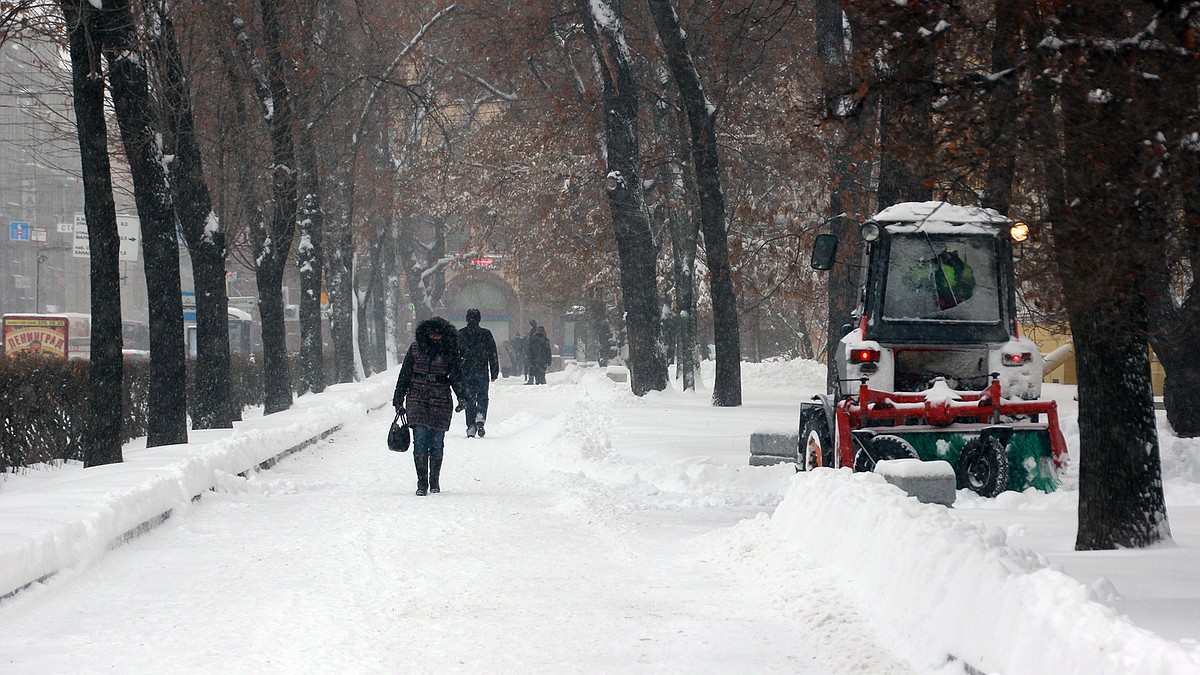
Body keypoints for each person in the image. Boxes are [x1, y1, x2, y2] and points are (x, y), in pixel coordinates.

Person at [393, 317, 467, 496]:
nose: (435, 337)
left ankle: (434, 480)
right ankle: (422, 483)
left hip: (440, 399)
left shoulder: (450, 351)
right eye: (432, 334)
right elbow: (405, 374)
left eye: (438, 334)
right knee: (420, 439)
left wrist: (462, 396)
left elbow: (456, 375)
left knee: (436, 442)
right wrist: (398, 399)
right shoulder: (415, 349)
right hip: (416, 398)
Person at [458, 308, 499, 438]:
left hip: (466, 370)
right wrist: (494, 371)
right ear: (479, 319)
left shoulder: (461, 334)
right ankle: (480, 418)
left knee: (469, 398)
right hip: (481, 369)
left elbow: (456, 355)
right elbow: (492, 353)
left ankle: (471, 426)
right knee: (483, 396)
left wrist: (455, 371)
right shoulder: (486, 334)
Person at [524, 319, 538, 384]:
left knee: (532, 366)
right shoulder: (535, 331)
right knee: (533, 366)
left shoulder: (533, 332)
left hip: (532, 352)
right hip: (534, 352)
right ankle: (533, 379)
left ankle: (531, 379)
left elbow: (531, 342)